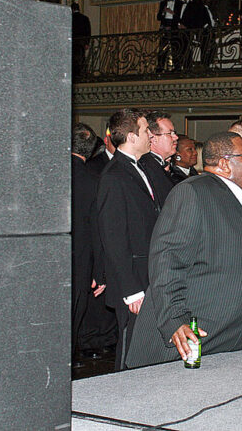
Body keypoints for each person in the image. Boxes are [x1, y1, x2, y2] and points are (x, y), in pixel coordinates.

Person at [124, 132, 242, 368]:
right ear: (225, 163)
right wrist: (175, 320)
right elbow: (167, 262)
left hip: (224, 344)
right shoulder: (193, 192)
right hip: (184, 344)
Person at [94, 108, 160, 370]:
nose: (150, 136)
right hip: (133, 280)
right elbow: (113, 237)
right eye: (146, 131)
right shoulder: (114, 176)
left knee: (144, 345)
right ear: (132, 137)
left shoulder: (139, 168)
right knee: (130, 347)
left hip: (146, 273)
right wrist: (131, 289)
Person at [71, 123, 110, 367]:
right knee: (75, 310)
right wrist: (100, 271)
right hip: (82, 259)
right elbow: (98, 230)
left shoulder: (48, 177)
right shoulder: (93, 181)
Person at [140, 110, 178, 204]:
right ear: (153, 138)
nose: (176, 137)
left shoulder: (161, 165)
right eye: (170, 133)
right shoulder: (145, 167)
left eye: (174, 133)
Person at [156, 0, 183, 72]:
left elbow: (180, 17)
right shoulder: (163, 3)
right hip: (165, 26)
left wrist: (172, 12)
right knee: (163, 46)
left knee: (175, 46)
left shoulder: (179, 3)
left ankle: (177, 66)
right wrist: (164, 12)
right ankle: (160, 66)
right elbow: (158, 17)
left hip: (174, 26)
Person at [71, 3, 91, 79]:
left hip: (73, 40)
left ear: (72, 9)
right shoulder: (85, 18)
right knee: (81, 57)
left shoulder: (70, 18)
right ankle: (81, 73)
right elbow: (88, 31)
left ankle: (75, 73)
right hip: (82, 40)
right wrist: (87, 42)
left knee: (73, 58)